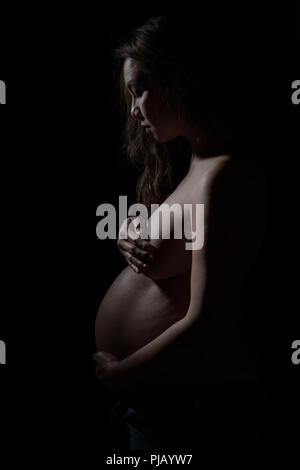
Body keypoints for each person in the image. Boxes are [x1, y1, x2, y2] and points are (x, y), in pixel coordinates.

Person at [94, 14, 269, 449]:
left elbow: (208, 322)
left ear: (181, 82)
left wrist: (122, 373)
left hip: (187, 409)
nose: (134, 110)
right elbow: (179, 246)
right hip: (164, 406)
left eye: (141, 91)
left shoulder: (225, 175)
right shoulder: (195, 163)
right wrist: (134, 230)